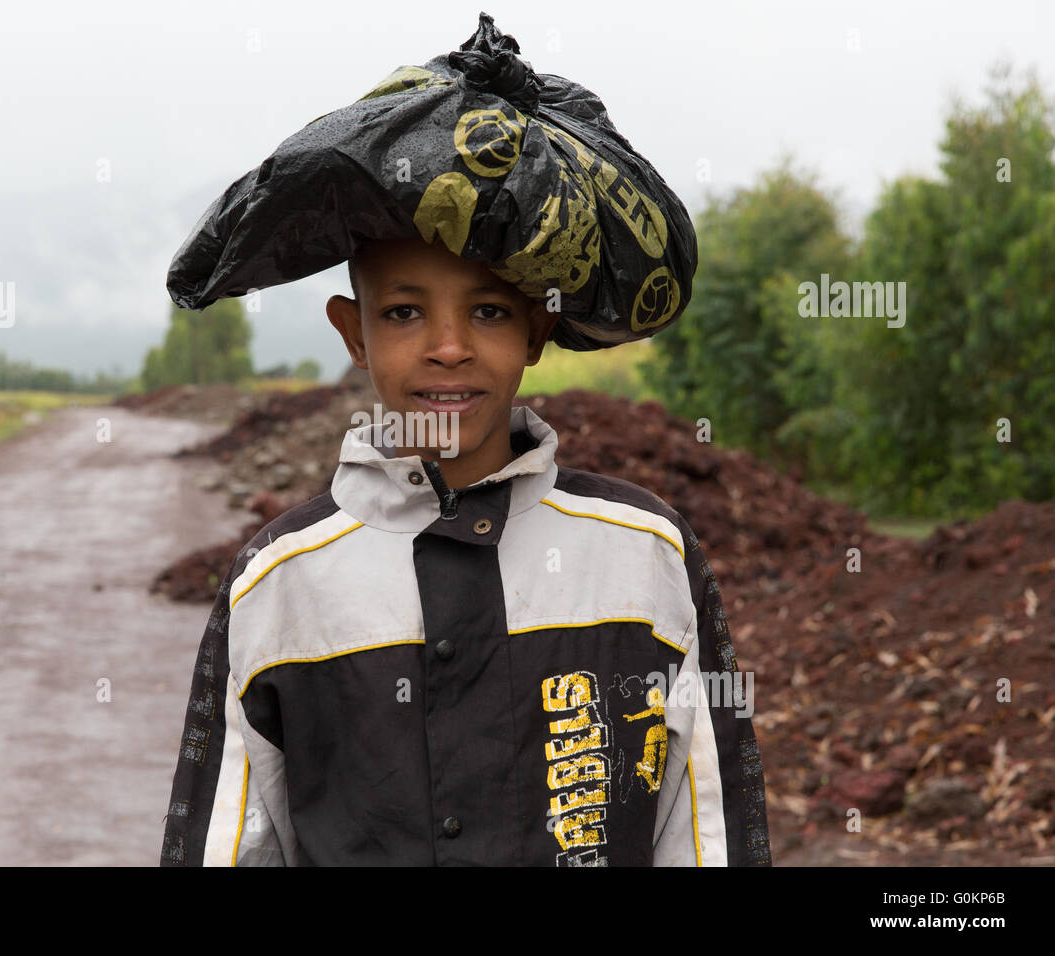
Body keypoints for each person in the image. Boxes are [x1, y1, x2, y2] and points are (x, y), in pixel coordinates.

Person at [158, 234, 772, 866]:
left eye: (489, 312)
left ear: (537, 329)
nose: (449, 349)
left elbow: (709, 833)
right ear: (354, 334)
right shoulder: (280, 581)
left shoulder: (646, 553)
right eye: (403, 312)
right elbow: (230, 844)